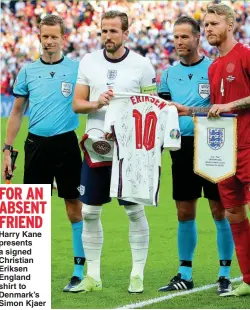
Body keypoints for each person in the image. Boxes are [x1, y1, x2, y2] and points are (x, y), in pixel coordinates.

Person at [174, 3, 250, 304]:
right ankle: (248, 280)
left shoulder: (248, 56)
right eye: (205, 25)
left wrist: (230, 106)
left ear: (230, 25)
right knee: (233, 213)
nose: (207, 29)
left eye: (214, 24)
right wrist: (188, 110)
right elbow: (215, 110)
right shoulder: (214, 67)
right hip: (222, 151)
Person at [70, 10, 157, 294]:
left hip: (130, 149)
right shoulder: (88, 62)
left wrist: (127, 120)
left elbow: (151, 106)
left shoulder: (142, 65)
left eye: (113, 31)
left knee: (133, 211)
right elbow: (77, 104)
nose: (108, 36)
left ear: (125, 34)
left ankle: (137, 274)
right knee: (90, 212)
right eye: (104, 31)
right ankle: (93, 276)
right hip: (97, 146)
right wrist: (97, 103)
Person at [1, 15, 85, 292]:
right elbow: (16, 113)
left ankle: (78, 269)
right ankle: (30, 273)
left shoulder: (77, 69)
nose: (48, 41)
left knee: (73, 206)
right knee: (34, 209)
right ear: (38, 37)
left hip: (66, 144)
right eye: (44, 36)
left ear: (63, 38)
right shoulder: (27, 71)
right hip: (36, 146)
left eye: (53, 36)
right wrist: (7, 150)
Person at [157, 16, 234, 294]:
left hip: (213, 143)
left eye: (184, 37)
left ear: (197, 38)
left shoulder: (214, 69)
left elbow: (223, 108)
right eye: (176, 37)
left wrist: (191, 112)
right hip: (181, 147)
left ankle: (224, 274)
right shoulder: (167, 74)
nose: (179, 42)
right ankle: (185, 274)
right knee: (184, 211)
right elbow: (163, 113)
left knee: (219, 209)